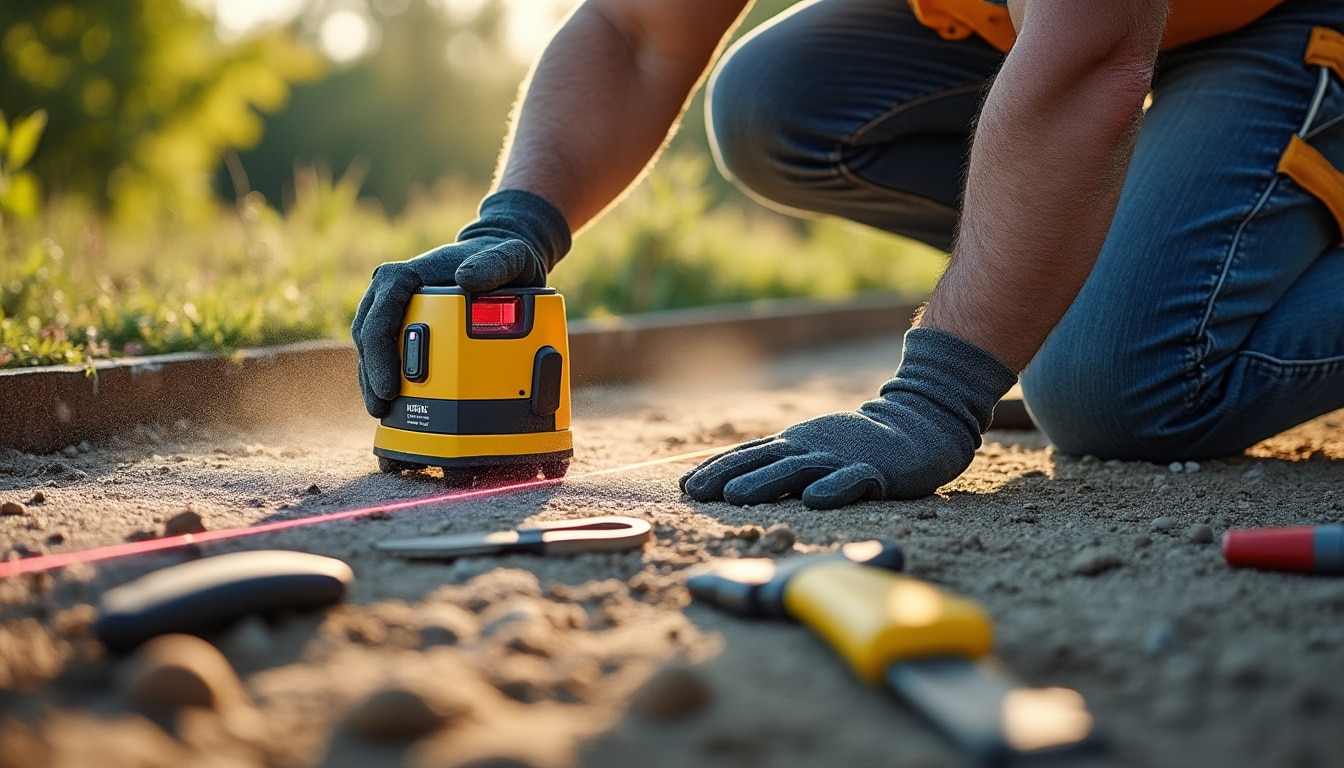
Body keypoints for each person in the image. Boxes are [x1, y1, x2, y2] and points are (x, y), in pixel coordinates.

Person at [352, 0, 1344, 509]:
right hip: (1082, 24)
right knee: (778, 100)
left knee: (1118, 387)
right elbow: (631, 28)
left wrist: (940, 391)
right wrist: (515, 221)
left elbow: (1093, 55)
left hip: (1283, 19)